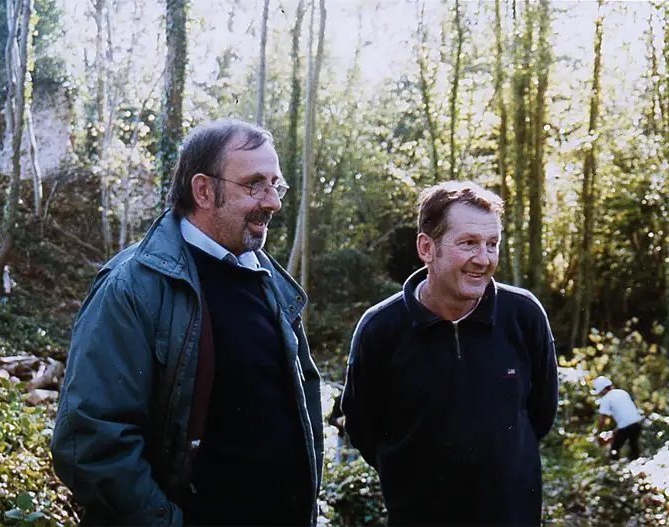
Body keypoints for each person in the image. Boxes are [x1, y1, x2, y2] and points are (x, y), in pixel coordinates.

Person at [51, 118, 323, 526]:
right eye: (254, 185)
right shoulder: (132, 287)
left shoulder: (272, 285)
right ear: (202, 190)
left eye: (275, 184)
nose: (273, 202)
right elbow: (91, 441)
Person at [340, 181, 559, 526]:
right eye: (468, 243)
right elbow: (364, 428)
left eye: (492, 244)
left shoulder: (524, 315)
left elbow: (541, 414)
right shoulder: (380, 329)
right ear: (427, 247)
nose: (484, 260)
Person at [591, 375, 643, 460]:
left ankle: (614, 468)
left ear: (603, 389)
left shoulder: (606, 399)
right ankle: (637, 466)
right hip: (637, 423)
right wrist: (616, 430)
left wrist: (599, 431)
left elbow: (602, 418)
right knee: (634, 448)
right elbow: (626, 415)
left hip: (625, 427)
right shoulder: (622, 392)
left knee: (614, 450)